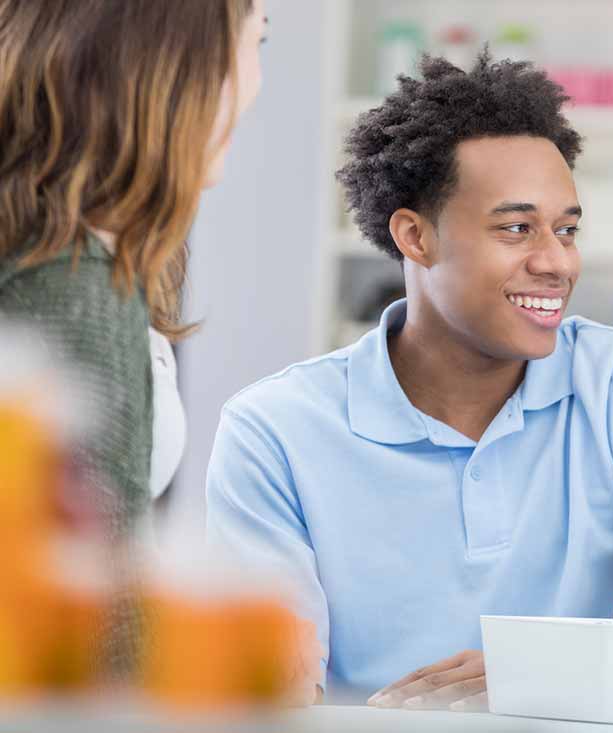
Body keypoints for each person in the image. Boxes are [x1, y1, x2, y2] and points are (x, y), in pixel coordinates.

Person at [205, 52, 613, 710]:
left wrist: (542, 677)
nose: (556, 262)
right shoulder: (276, 432)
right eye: (517, 228)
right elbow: (268, 710)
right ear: (415, 236)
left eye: (567, 229)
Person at [0, 0, 321, 703]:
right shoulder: (71, 281)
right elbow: (78, 624)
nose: (256, 80)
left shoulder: (75, 250)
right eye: (254, 40)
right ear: (168, 59)